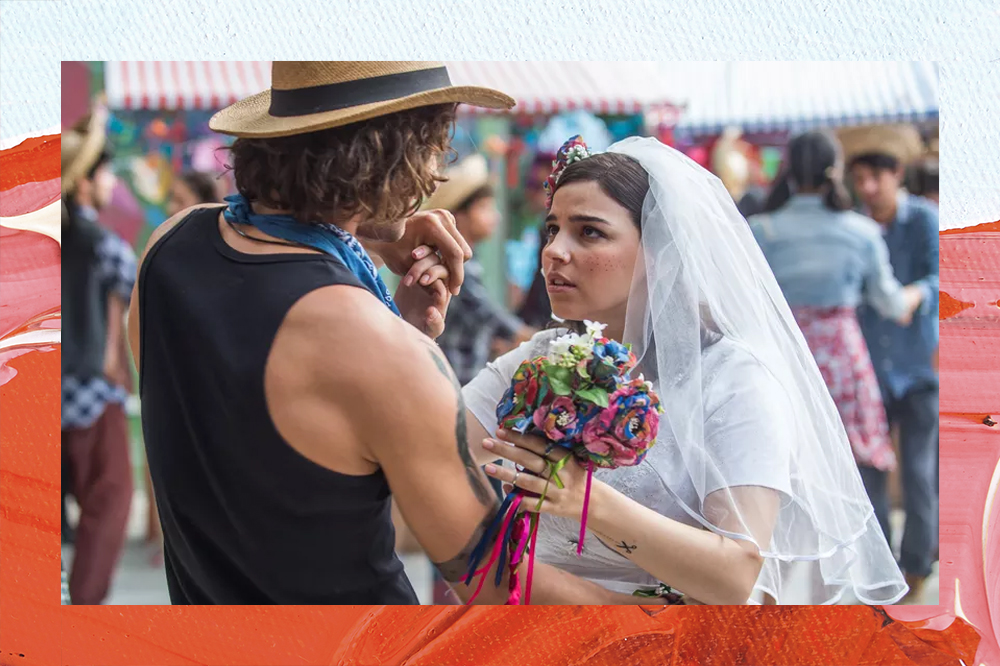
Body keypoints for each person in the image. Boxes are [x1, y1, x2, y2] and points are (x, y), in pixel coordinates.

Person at [127, 62, 648, 605]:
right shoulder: (383, 350)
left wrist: (369, 241)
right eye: (433, 148)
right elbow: (494, 581)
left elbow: (258, 432)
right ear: (387, 154)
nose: (437, 176)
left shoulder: (169, 247)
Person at [462, 135, 909, 605]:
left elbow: (736, 575)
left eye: (589, 232)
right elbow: (424, 444)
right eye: (552, 229)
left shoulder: (735, 378)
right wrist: (415, 327)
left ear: (661, 251)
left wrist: (590, 502)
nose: (554, 250)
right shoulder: (539, 359)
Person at [748, 130, 925, 482]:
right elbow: (889, 303)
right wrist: (919, 291)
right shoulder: (861, 232)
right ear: (836, 169)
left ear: (789, 170)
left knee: (788, 464)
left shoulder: (761, 230)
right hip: (842, 359)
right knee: (854, 472)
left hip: (782, 356)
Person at [840, 124, 940, 603]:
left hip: (918, 368)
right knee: (872, 473)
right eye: (861, 178)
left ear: (897, 175)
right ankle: (883, 568)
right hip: (869, 375)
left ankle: (920, 563)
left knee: (920, 472)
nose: (869, 188)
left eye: (877, 177)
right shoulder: (853, 225)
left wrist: (916, 293)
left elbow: (940, 277)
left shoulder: (922, 220)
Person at [62, 105, 138, 604]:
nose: (111, 180)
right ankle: (83, 610)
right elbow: (133, 291)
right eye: (105, 172)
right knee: (110, 501)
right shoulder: (101, 244)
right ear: (83, 184)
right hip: (89, 389)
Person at [429, 154, 535, 387]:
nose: (495, 217)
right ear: (458, 215)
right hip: (454, 381)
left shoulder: (470, 261)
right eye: (485, 208)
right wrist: (531, 338)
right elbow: (486, 311)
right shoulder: (451, 262)